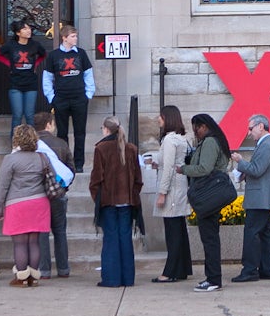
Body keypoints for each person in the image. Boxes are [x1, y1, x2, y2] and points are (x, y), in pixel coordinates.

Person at [0, 123, 52, 287]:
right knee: (34, 242)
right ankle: (33, 277)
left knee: (19, 243)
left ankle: (22, 278)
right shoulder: (42, 157)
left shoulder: (10, 159)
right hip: (39, 202)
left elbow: (2, 187)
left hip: (17, 204)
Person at [88, 116, 142, 288]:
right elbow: (138, 179)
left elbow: (96, 178)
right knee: (125, 238)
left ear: (105, 129)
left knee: (111, 239)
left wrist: (97, 197)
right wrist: (132, 194)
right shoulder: (131, 148)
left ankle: (111, 279)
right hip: (127, 200)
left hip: (109, 201)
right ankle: (127, 278)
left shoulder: (101, 148)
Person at [182, 112, 232, 292]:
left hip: (208, 195)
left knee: (209, 239)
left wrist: (183, 169)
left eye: (196, 128)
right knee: (210, 238)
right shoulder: (212, 140)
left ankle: (213, 279)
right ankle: (213, 277)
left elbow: (204, 168)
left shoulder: (210, 142)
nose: (195, 132)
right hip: (211, 195)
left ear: (203, 126)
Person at [231, 114, 270, 282]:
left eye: (251, 128)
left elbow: (257, 169)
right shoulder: (265, 144)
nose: (249, 133)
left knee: (252, 233)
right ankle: (267, 269)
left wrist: (240, 161)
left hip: (260, 197)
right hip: (262, 197)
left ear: (261, 126)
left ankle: (250, 270)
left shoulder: (266, 145)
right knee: (265, 234)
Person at [42, 23, 95, 171]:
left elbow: (88, 74)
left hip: (79, 98)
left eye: (76, 36)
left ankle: (79, 164)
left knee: (80, 133)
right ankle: (63, 162)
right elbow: (47, 78)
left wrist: (88, 94)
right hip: (61, 99)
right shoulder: (54, 56)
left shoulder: (81, 54)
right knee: (62, 133)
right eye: (73, 36)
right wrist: (51, 97)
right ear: (64, 38)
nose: (75, 38)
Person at [151, 105, 193, 283]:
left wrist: (162, 192)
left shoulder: (169, 141)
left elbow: (168, 168)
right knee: (179, 229)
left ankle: (170, 271)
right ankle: (182, 268)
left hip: (172, 190)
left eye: (161, 117)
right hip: (179, 187)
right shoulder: (180, 139)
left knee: (173, 231)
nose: (158, 120)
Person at [32, 112, 74, 279]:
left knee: (42, 232)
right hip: (58, 193)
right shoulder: (61, 143)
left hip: (39, 193)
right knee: (60, 231)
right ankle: (63, 268)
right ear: (49, 125)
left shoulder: (32, 145)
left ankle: (44, 270)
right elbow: (71, 168)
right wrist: (63, 187)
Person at [0, 21, 47, 135]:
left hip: (31, 83)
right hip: (15, 83)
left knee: (30, 115)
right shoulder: (11, 45)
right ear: (18, 33)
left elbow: (43, 54)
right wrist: (9, 65)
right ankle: (15, 144)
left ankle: (32, 142)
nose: (28, 30)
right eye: (24, 29)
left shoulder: (35, 45)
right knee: (17, 115)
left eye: (29, 28)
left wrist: (35, 65)